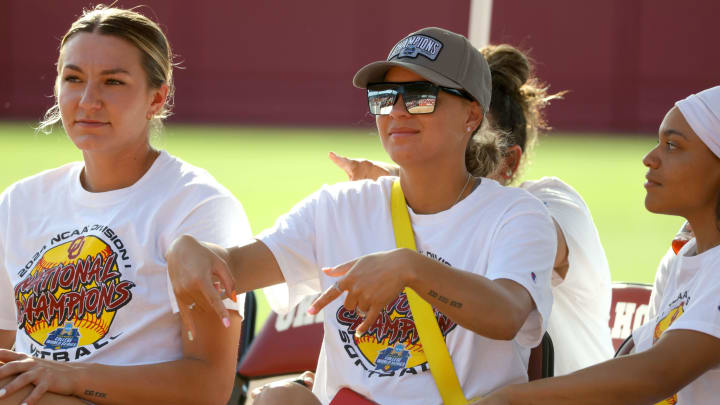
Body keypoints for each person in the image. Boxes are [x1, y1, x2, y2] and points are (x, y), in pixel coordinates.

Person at [167, 27, 557, 404]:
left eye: (421, 96)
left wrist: (410, 268)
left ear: (471, 114)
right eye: (385, 96)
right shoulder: (338, 208)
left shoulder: (516, 214)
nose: (398, 112)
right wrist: (191, 249)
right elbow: (233, 267)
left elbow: (507, 313)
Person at [0, 6, 249, 404]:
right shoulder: (20, 203)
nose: (88, 100)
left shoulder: (198, 206)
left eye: (112, 82)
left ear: (157, 97)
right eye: (73, 78)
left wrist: (68, 376)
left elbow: (209, 386)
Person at [328, 43, 614, 376]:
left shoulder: (548, 204)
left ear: (509, 162)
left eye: (472, 146)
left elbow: (533, 238)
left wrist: (397, 179)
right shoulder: (414, 214)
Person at [477, 85, 720, 404]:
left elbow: (655, 375)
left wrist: (512, 399)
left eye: (673, 146)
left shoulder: (549, 204)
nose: (650, 158)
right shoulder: (681, 258)